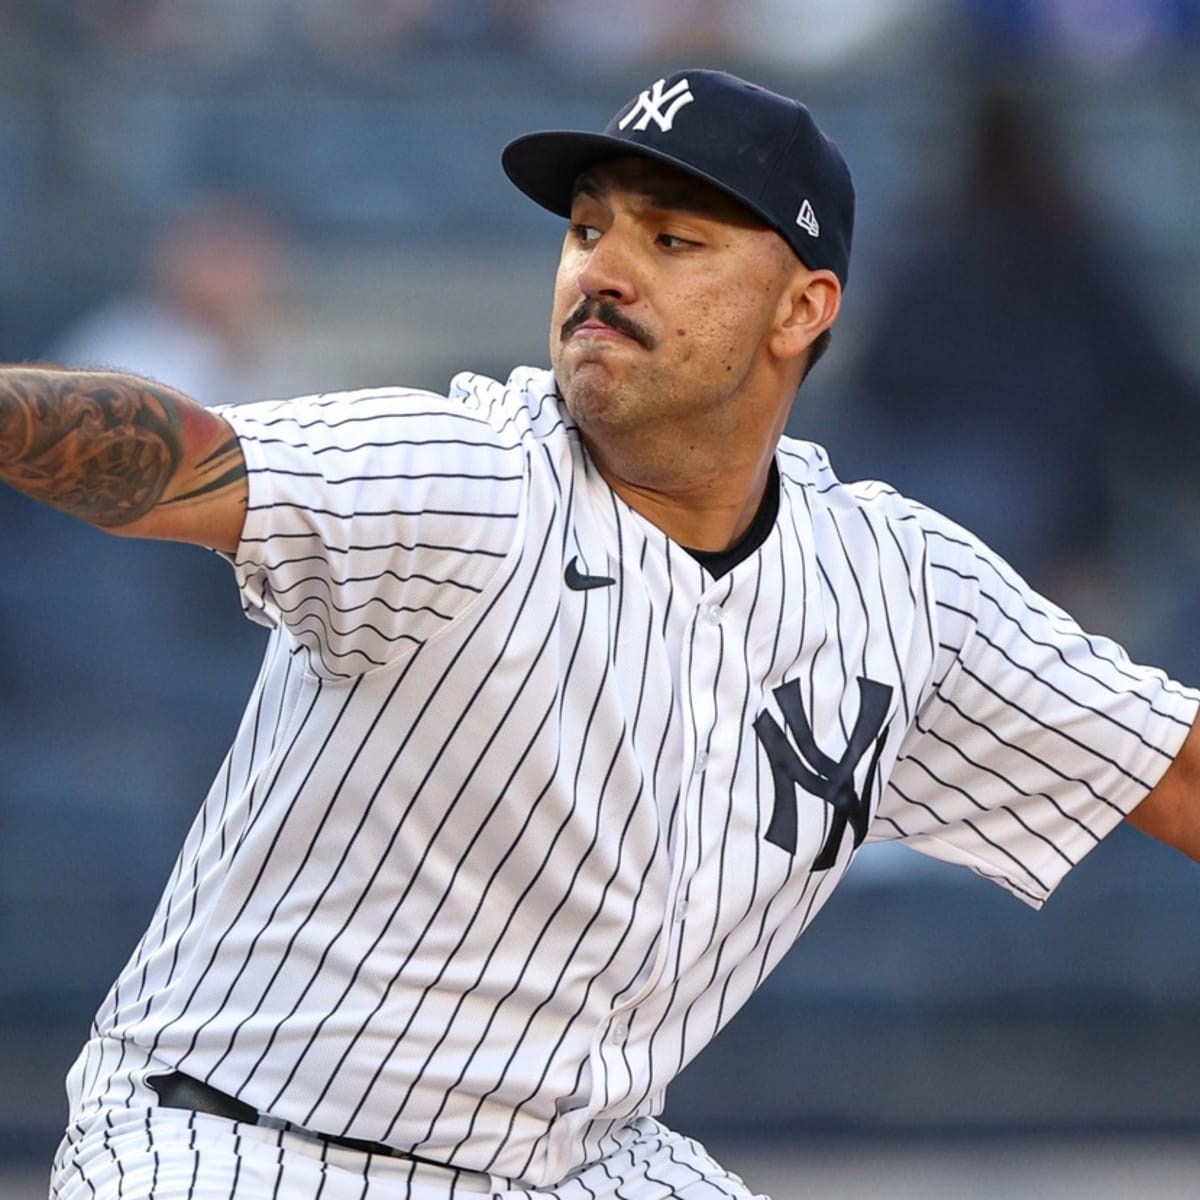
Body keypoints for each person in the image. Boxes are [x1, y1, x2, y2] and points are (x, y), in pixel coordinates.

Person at [2, 68, 1198, 1200]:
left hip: (579, 1162)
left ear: (803, 308)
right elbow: (179, 459)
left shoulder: (894, 589)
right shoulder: (465, 481)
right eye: (587, 229)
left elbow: (1178, 772)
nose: (603, 271)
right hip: (244, 1140)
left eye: (671, 240)